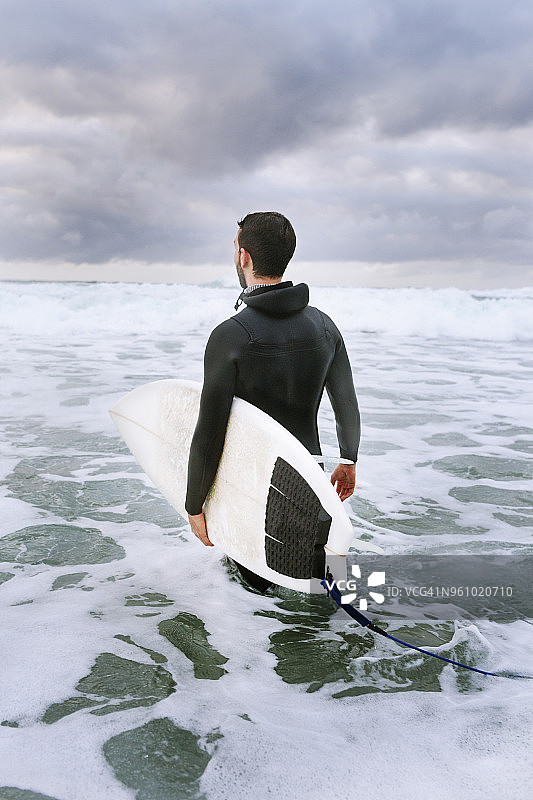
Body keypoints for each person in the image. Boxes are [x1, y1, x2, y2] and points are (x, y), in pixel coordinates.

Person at [185, 211, 360, 590]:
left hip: (254, 489)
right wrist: (348, 460)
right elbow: (346, 400)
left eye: (235, 248)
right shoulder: (324, 325)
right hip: (311, 483)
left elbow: (209, 431)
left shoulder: (230, 335)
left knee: (256, 598)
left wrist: (194, 504)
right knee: (316, 589)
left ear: (244, 256)